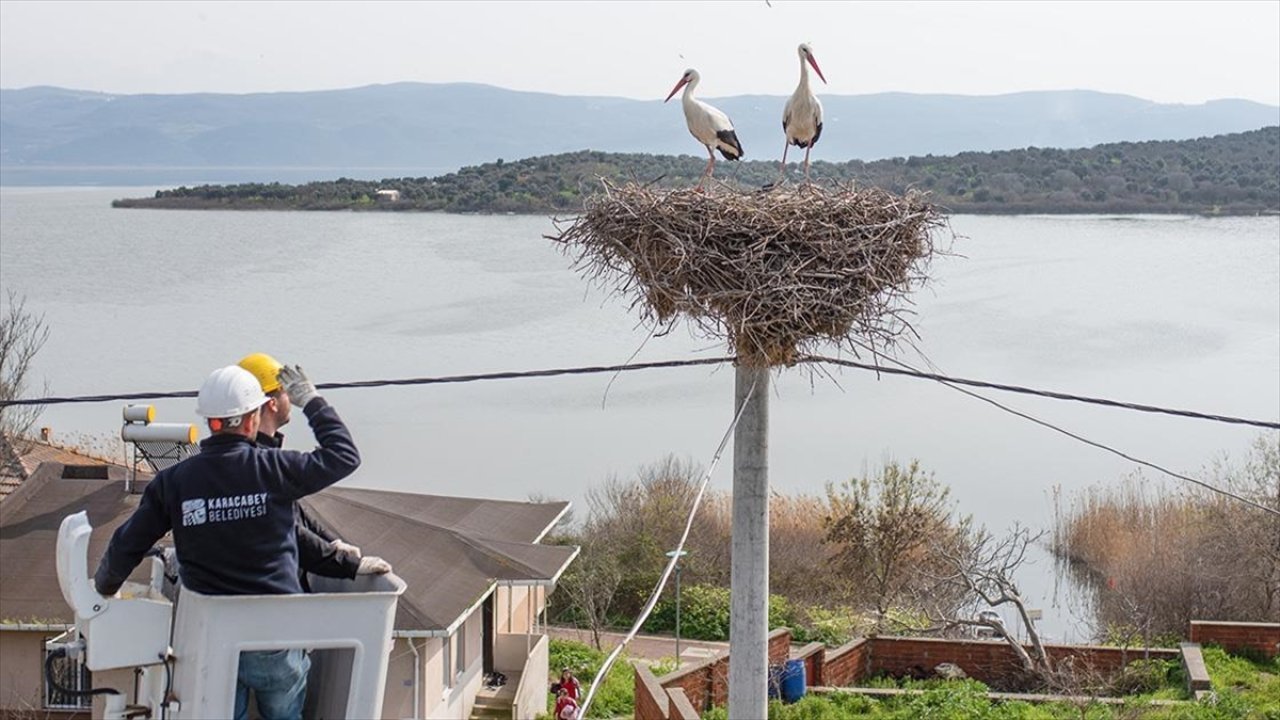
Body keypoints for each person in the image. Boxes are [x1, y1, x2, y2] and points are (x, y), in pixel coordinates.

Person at [94, 364, 360, 720]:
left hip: (212, 637)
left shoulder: (174, 482)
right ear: (252, 420)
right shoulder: (275, 469)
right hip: (274, 636)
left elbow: (127, 544)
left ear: (210, 422)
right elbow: (344, 456)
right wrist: (311, 401)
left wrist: (105, 588)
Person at [238, 353, 390, 583]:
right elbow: (344, 456)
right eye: (286, 392)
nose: (291, 399)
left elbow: (290, 510)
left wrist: (330, 541)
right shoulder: (263, 465)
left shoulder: (248, 461)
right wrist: (312, 402)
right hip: (272, 594)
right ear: (272, 404)